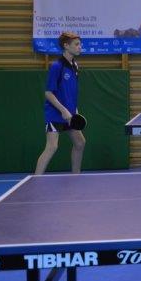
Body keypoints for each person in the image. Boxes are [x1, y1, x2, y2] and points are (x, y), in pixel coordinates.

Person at [35, 31, 85, 174]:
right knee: (52, 147)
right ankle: (36, 180)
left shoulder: (75, 65)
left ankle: (76, 177)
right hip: (55, 114)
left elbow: (71, 91)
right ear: (66, 46)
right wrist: (63, 110)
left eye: (80, 44)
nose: (80, 47)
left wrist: (74, 110)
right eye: (76, 44)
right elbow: (48, 93)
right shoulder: (57, 66)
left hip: (69, 114)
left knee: (80, 143)